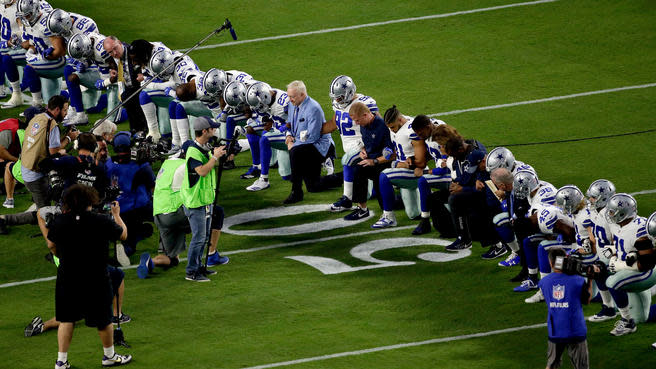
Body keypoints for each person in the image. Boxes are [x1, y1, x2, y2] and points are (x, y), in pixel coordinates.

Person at [46, 184, 131, 368]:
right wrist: (116, 215)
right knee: (103, 319)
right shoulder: (100, 220)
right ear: (90, 200)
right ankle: (109, 356)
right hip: (96, 277)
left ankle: (61, 361)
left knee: (67, 319)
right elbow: (123, 235)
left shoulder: (60, 221)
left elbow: (51, 245)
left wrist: (62, 255)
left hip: (67, 276)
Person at [0, 95, 77, 234]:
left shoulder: (38, 118)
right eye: (65, 110)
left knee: (46, 207)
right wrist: (69, 138)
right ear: (57, 109)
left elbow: (43, 144)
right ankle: (53, 247)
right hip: (35, 175)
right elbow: (54, 152)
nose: (66, 114)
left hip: (26, 168)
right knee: (44, 214)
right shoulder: (52, 125)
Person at [24, 265, 131, 337]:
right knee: (118, 275)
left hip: (67, 267)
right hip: (84, 264)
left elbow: (51, 245)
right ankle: (117, 315)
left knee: (73, 312)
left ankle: (42, 326)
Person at [181, 116, 227, 282]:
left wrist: (218, 154)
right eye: (212, 128)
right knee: (199, 238)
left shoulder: (203, 148)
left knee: (204, 237)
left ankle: (199, 267)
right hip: (195, 202)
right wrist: (214, 158)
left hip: (204, 200)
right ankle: (191, 271)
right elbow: (201, 171)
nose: (214, 130)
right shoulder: (193, 151)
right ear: (204, 131)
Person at [326, 75, 379, 212]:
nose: (337, 100)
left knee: (347, 159)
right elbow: (333, 123)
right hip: (352, 150)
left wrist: (369, 146)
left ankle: (347, 199)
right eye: (335, 97)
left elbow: (379, 126)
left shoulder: (365, 103)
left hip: (364, 148)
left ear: (349, 92)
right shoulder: (338, 105)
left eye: (339, 97)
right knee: (370, 192)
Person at [370, 105, 428, 228]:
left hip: (416, 172)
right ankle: (432, 199)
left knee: (384, 175)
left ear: (400, 120)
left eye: (393, 127)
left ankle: (389, 217)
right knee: (413, 214)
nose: (392, 130)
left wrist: (397, 163)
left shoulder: (412, 131)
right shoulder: (399, 125)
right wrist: (391, 155)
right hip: (404, 170)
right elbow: (399, 151)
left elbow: (421, 162)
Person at [105, 131, 156, 265]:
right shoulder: (140, 165)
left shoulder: (108, 164)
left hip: (116, 210)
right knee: (162, 215)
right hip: (139, 207)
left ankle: (133, 239)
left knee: (130, 238)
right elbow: (152, 185)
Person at [538, 248, 592, 369]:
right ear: (565, 259)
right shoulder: (578, 280)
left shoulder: (543, 282)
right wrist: (590, 280)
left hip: (555, 330)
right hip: (575, 329)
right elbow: (587, 300)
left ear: (551, 263)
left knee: (551, 365)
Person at [283, 80, 331, 204]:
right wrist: (288, 136)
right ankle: (343, 177)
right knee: (314, 186)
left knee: (295, 152)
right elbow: (289, 124)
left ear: (302, 95)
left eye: (292, 97)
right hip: (303, 143)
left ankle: (296, 192)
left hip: (318, 145)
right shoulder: (292, 105)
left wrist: (293, 145)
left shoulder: (313, 108)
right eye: (288, 96)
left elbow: (313, 137)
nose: (290, 100)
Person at [342, 102, 392, 220]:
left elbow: (392, 154)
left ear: (365, 115)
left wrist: (374, 161)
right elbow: (367, 143)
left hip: (383, 163)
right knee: (358, 169)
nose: (356, 123)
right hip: (372, 161)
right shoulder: (364, 125)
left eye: (358, 120)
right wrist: (363, 150)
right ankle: (362, 209)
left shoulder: (383, 126)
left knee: (386, 204)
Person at [0, 0, 53, 108]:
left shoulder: (24, 7)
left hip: (43, 50)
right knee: (7, 58)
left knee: (50, 94)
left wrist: (26, 44)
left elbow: (26, 33)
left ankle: (29, 94)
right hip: (22, 45)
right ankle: (13, 92)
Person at [102, 35, 146, 132]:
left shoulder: (133, 52)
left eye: (115, 48)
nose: (114, 53)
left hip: (141, 86)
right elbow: (112, 61)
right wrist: (113, 69)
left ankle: (143, 130)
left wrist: (143, 74)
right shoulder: (115, 55)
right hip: (128, 86)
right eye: (110, 52)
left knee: (134, 101)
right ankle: (134, 130)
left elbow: (144, 62)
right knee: (126, 98)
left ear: (120, 43)